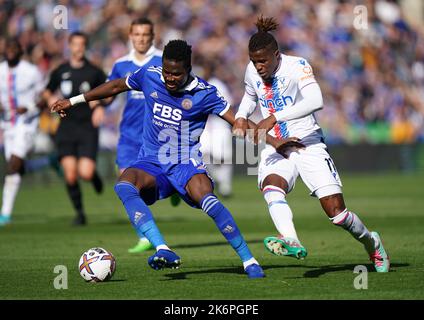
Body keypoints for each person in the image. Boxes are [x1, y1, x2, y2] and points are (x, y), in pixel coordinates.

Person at [51, 40, 300, 278]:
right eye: (167, 72)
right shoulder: (149, 75)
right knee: (124, 184)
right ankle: (163, 249)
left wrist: (275, 142)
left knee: (206, 196)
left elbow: (240, 124)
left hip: (185, 163)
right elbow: (116, 86)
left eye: (176, 74)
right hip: (151, 162)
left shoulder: (206, 94)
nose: (169, 78)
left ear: (188, 70)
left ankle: (249, 260)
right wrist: (73, 101)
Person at [233, 16, 390, 272]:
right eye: (254, 61)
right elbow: (250, 96)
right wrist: (241, 116)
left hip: (307, 143)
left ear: (276, 55)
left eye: (263, 60)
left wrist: (273, 117)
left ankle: (372, 243)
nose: (258, 66)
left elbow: (316, 100)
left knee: (337, 214)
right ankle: (290, 239)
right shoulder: (252, 71)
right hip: (277, 148)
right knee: (272, 187)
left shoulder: (298, 66)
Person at [108, 17, 175, 253]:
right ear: (130, 35)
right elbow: (110, 93)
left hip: (156, 136)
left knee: (154, 186)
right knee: (126, 184)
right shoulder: (120, 64)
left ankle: (174, 189)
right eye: (137, 34)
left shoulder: (161, 62)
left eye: (146, 34)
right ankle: (145, 237)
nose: (141, 39)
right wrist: (97, 105)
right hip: (128, 135)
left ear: (152, 36)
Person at [43, 32, 107, 225]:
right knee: (70, 174)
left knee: (85, 173)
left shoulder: (94, 72)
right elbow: (47, 91)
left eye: (82, 44)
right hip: (66, 128)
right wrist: (51, 101)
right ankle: (80, 213)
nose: (78, 48)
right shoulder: (60, 70)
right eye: (75, 44)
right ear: (69, 47)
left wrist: (100, 107)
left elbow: (106, 93)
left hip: (87, 127)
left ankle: (93, 175)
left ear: (85, 47)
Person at [0, 38, 44, 226]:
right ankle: (47, 162)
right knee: (15, 168)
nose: (10, 50)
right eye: (7, 47)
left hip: (26, 124)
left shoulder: (31, 71)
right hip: (7, 126)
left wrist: (30, 108)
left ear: (21, 50)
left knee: (13, 165)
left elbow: (44, 98)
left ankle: (5, 214)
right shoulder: (0, 70)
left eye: (14, 47)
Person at [199, 62, 234, 198]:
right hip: (205, 125)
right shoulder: (194, 85)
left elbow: (227, 103)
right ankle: (219, 179)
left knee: (222, 157)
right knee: (203, 154)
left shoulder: (217, 85)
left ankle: (226, 186)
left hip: (220, 124)